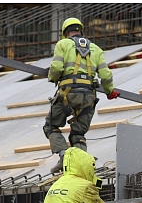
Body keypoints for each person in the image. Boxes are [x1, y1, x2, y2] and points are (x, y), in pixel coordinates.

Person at [44, 17, 120, 174]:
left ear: (65, 33)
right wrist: (109, 91)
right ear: (81, 30)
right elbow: (105, 75)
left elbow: (57, 68)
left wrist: (52, 77)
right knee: (78, 133)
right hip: (88, 96)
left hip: (68, 93)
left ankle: (64, 155)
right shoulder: (96, 49)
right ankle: (81, 166)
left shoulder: (63, 44)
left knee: (51, 125)